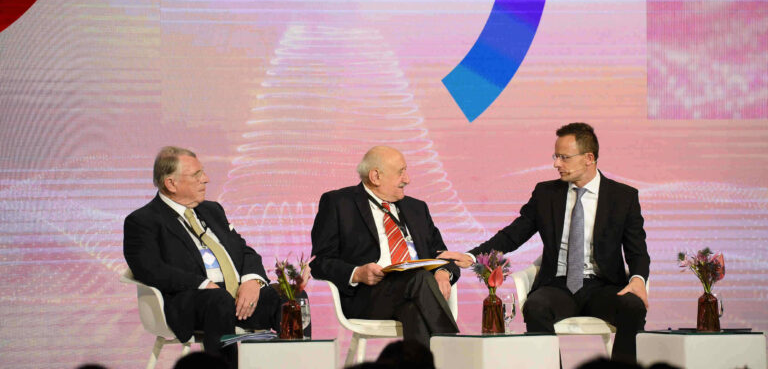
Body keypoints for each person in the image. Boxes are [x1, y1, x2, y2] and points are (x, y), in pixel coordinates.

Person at [440, 123, 649, 363]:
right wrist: (473, 256)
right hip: (558, 285)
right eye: (555, 156)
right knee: (535, 306)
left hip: (603, 286)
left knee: (632, 306)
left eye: (564, 157)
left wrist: (638, 279)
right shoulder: (546, 194)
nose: (556, 164)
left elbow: (637, 251)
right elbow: (513, 234)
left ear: (589, 158)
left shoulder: (623, 197)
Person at [123, 146, 282, 369]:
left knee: (291, 300)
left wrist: (252, 281)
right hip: (191, 302)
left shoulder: (213, 210)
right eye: (197, 175)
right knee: (218, 300)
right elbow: (149, 269)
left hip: (237, 298)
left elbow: (244, 251)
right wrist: (203, 284)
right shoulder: (143, 221)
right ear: (171, 183)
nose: (206, 179)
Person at [310, 146, 460, 347]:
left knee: (415, 309)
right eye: (401, 172)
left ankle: (429, 360)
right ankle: (453, 352)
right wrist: (357, 273)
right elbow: (320, 262)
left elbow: (442, 253)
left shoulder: (417, 208)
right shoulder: (339, 203)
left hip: (419, 292)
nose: (407, 179)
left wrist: (442, 272)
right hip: (368, 296)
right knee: (421, 278)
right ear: (376, 176)